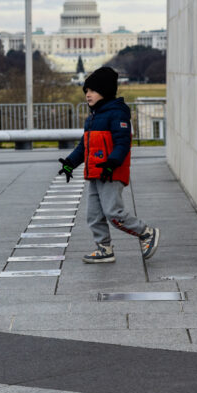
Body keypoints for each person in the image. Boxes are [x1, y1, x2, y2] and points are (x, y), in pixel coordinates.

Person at [57, 66, 160, 263]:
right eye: (86, 91)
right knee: (94, 215)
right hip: (95, 173)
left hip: (111, 172)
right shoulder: (93, 117)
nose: (88, 95)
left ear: (104, 91)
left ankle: (146, 232)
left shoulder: (117, 114)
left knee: (114, 213)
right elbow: (84, 146)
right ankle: (104, 248)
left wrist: (112, 163)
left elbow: (122, 142)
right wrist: (70, 162)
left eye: (92, 90)